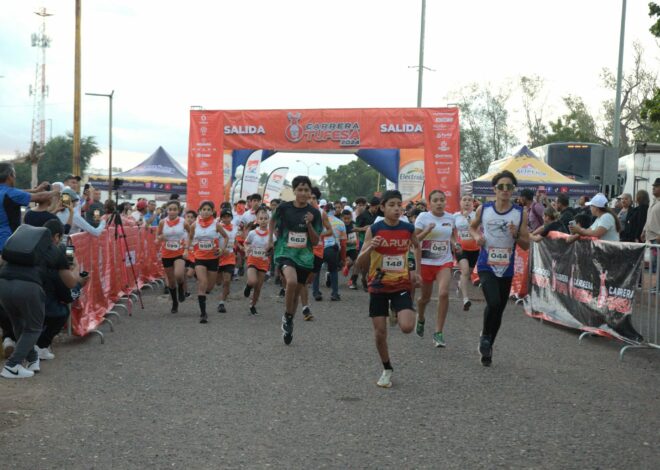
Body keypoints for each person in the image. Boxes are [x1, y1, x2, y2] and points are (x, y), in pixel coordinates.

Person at [356, 190, 421, 388]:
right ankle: (387, 368)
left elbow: (417, 247)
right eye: (391, 204)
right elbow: (359, 263)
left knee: (407, 327)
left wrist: (415, 270)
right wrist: (370, 247)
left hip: (401, 283)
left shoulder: (408, 228)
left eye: (399, 204)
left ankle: (396, 309)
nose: (396, 208)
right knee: (380, 332)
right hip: (378, 285)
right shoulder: (374, 230)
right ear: (382, 207)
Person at [0, 222, 80, 378]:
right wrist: (75, 266)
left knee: (18, 323)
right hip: (29, 288)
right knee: (33, 328)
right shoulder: (55, 251)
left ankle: (32, 359)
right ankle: (12, 366)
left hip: (3, 284)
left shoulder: (20, 243)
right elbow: (70, 282)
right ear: (56, 237)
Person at [469, 170, 529, 367]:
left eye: (509, 187)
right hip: (486, 264)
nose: (505, 190)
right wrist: (477, 237)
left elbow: (526, 244)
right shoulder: (484, 209)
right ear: (494, 189)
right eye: (501, 186)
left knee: (499, 310)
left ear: (513, 190)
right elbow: (472, 227)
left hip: (507, 267)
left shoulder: (520, 213)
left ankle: (488, 348)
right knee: (493, 303)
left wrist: (515, 235)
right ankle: (485, 336)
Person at [268, 175, 322, 345]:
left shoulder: (314, 213)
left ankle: (289, 319)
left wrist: (309, 225)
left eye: (307, 190)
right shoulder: (284, 207)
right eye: (300, 189)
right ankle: (286, 315)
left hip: (305, 257)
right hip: (285, 251)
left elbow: (315, 241)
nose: (304, 193)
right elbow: (272, 220)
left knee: (297, 292)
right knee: (291, 282)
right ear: (294, 191)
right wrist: (270, 240)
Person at [35, 219, 89, 361]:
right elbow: (70, 288)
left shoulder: (31, 246)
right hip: (42, 300)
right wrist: (77, 273)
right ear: (57, 236)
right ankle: (40, 346)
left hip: (12, 296)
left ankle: (13, 339)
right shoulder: (59, 253)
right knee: (62, 311)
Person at [414, 190, 460, 346]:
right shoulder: (423, 217)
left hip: (444, 262)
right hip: (426, 263)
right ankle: (420, 318)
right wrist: (427, 231)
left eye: (442, 200)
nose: (439, 203)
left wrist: (456, 244)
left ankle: (438, 332)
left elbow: (452, 236)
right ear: (430, 203)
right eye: (436, 200)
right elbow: (414, 240)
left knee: (444, 293)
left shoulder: (450, 217)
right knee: (424, 299)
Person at [0, 163, 56, 252]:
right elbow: (40, 197)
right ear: (10, 176)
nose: (15, 178)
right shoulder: (11, 193)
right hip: (6, 240)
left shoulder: (8, 193)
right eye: (14, 175)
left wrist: (35, 190)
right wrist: (56, 191)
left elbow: (17, 192)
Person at [189, 201, 229, 324]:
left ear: (212, 211)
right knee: (203, 283)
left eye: (208, 209)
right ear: (199, 211)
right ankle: (203, 314)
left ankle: (203, 291)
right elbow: (190, 238)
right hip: (199, 258)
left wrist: (222, 249)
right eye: (203, 209)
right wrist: (188, 249)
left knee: (210, 286)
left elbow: (226, 236)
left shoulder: (216, 225)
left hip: (213, 259)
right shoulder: (194, 225)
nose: (206, 211)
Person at [157, 200, 190, 314]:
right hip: (166, 253)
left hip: (179, 252)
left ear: (178, 210)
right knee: (171, 282)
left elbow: (190, 234)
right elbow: (158, 236)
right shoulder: (162, 222)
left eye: (174, 209)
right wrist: (160, 238)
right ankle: (175, 302)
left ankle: (181, 287)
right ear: (167, 210)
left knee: (179, 275)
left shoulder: (183, 222)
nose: (172, 212)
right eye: (170, 209)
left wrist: (187, 248)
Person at [243, 207, 271, 315]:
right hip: (253, 260)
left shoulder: (271, 235)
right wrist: (246, 249)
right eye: (261, 218)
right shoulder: (252, 233)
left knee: (258, 287)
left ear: (268, 220)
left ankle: (253, 305)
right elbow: (246, 243)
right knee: (252, 281)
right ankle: (248, 286)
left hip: (264, 262)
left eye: (265, 218)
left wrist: (270, 251)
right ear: (257, 220)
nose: (263, 221)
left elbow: (273, 247)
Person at [455, 194, 480, 312]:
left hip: (475, 250)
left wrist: (468, 218)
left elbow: (478, 229)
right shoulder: (455, 216)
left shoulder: (477, 215)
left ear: (473, 203)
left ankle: (460, 284)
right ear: (460, 202)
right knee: (465, 272)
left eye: (469, 200)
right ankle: (466, 299)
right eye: (464, 200)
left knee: (467, 274)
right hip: (461, 249)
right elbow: (450, 232)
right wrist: (455, 243)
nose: (467, 202)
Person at [217, 209, 239, 313]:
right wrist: (220, 250)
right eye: (224, 217)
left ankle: (222, 303)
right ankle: (225, 289)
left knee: (226, 281)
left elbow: (235, 241)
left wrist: (238, 248)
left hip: (230, 257)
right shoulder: (217, 227)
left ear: (231, 217)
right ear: (221, 218)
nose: (226, 218)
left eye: (228, 216)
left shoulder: (235, 228)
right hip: (218, 257)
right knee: (218, 282)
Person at [342, 209, 359, 289]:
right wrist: (348, 241)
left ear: (351, 217)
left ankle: (352, 281)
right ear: (342, 218)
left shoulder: (354, 225)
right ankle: (329, 274)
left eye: (348, 218)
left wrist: (356, 242)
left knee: (356, 262)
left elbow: (357, 235)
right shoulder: (341, 225)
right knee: (342, 264)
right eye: (345, 219)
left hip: (352, 248)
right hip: (343, 248)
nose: (347, 220)